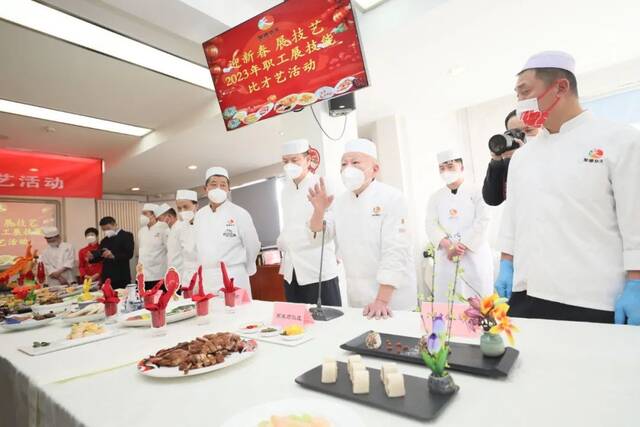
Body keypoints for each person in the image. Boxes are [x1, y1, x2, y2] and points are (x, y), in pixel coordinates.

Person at [495, 51, 640, 325]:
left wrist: (637, 282)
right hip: (527, 295)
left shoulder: (620, 140)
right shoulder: (523, 157)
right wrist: (506, 264)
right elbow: (513, 219)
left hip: (593, 299)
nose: (520, 103)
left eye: (525, 92)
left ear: (560, 87)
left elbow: (636, 219)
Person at [307, 138, 417, 319]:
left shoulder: (393, 198)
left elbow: (396, 251)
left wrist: (382, 300)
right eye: (344, 163)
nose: (348, 167)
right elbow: (319, 234)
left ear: (375, 169)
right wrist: (319, 211)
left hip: (392, 301)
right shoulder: (340, 202)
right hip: (358, 298)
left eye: (355, 162)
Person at [278, 139, 341, 306]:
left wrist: (338, 254)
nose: (289, 165)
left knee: (328, 325)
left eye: (295, 160)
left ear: (308, 160)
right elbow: (289, 225)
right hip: (292, 272)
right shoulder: (285, 190)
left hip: (318, 271)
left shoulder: (322, 183)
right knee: (298, 327)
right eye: (285, 161)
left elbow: (336, 223)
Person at [426, 149, 493, 301]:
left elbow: (484, 220)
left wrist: (462, 245)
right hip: (446, 255)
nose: (446, 171)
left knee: (479, 304)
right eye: (442, 168)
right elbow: (430, 224)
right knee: (448, 304)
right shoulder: (435, 197)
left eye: (450, 166)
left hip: (474, 254)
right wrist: (448, 245)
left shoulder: (478, 191)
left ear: (461, 167)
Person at [193, 167, 261, 295]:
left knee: (239, 313)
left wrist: (246, 266)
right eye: (213, 184)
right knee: (211, 314)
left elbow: (253, 244)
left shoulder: (240, 213)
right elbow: (197, 247)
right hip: (207, 278)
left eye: (223, 185)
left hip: (234, 275)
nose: (218, 188)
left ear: (228, 189)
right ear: (205, 188)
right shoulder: (199, 215)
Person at [482, 111, 539, 206]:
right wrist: (496, 162)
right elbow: (492, 199)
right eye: (516, 133)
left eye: (528, 131)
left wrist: (526, 158)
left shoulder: (551, 155)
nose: (522, 138)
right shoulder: (508, 162)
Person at [155, 195, 198, 285]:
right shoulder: (169, 231)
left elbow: (188, 252)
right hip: (173, 273)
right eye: (179, 208)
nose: (158, 223)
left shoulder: (181, 228)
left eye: (160, 219)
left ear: (169, 217)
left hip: (183, 274)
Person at [89, 216, 134, 289]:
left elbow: (129, 254)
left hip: (121, 276)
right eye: (104, 230)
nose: (106, 231)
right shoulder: (104, 240)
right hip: (107, 277)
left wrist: (113, 255)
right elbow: (101, 256)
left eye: (108, 228)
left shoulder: (126, 235)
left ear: (115, 224)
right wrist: (92, 258)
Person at [138, 203, 169, 289]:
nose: (142, 216)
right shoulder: (141, 231)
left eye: (145, 213)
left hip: (158, 274)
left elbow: (169, 250)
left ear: (154, 215)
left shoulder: (163, 228)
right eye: (142, 213)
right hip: (143, 274)